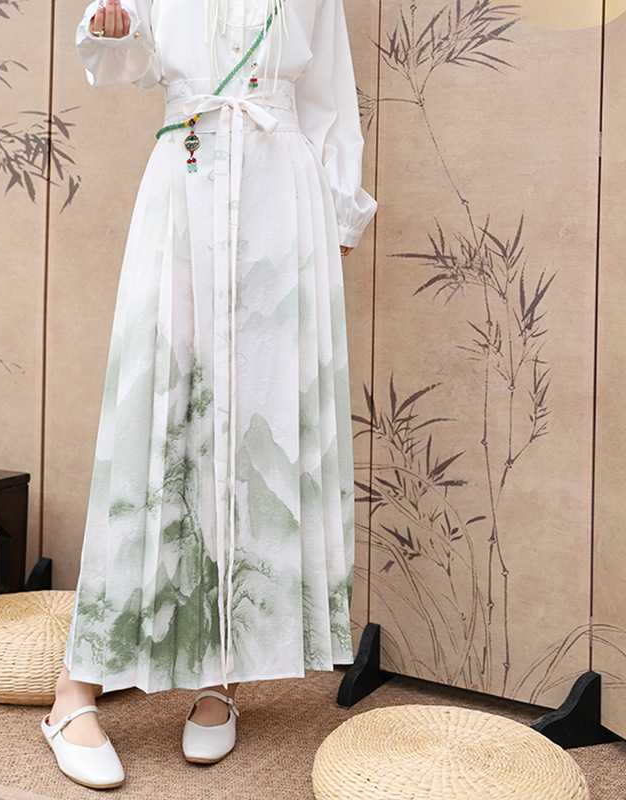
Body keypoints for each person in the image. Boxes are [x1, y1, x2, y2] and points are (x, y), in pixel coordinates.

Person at [41, 0, 376, 788]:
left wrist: (337, 218)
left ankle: (219, 676)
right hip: (187, 173)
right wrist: (112, 29)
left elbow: (329, 93)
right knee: (155, 413)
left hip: (282, 193)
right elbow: (130, 59)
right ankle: (74, 688)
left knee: (257, 421)